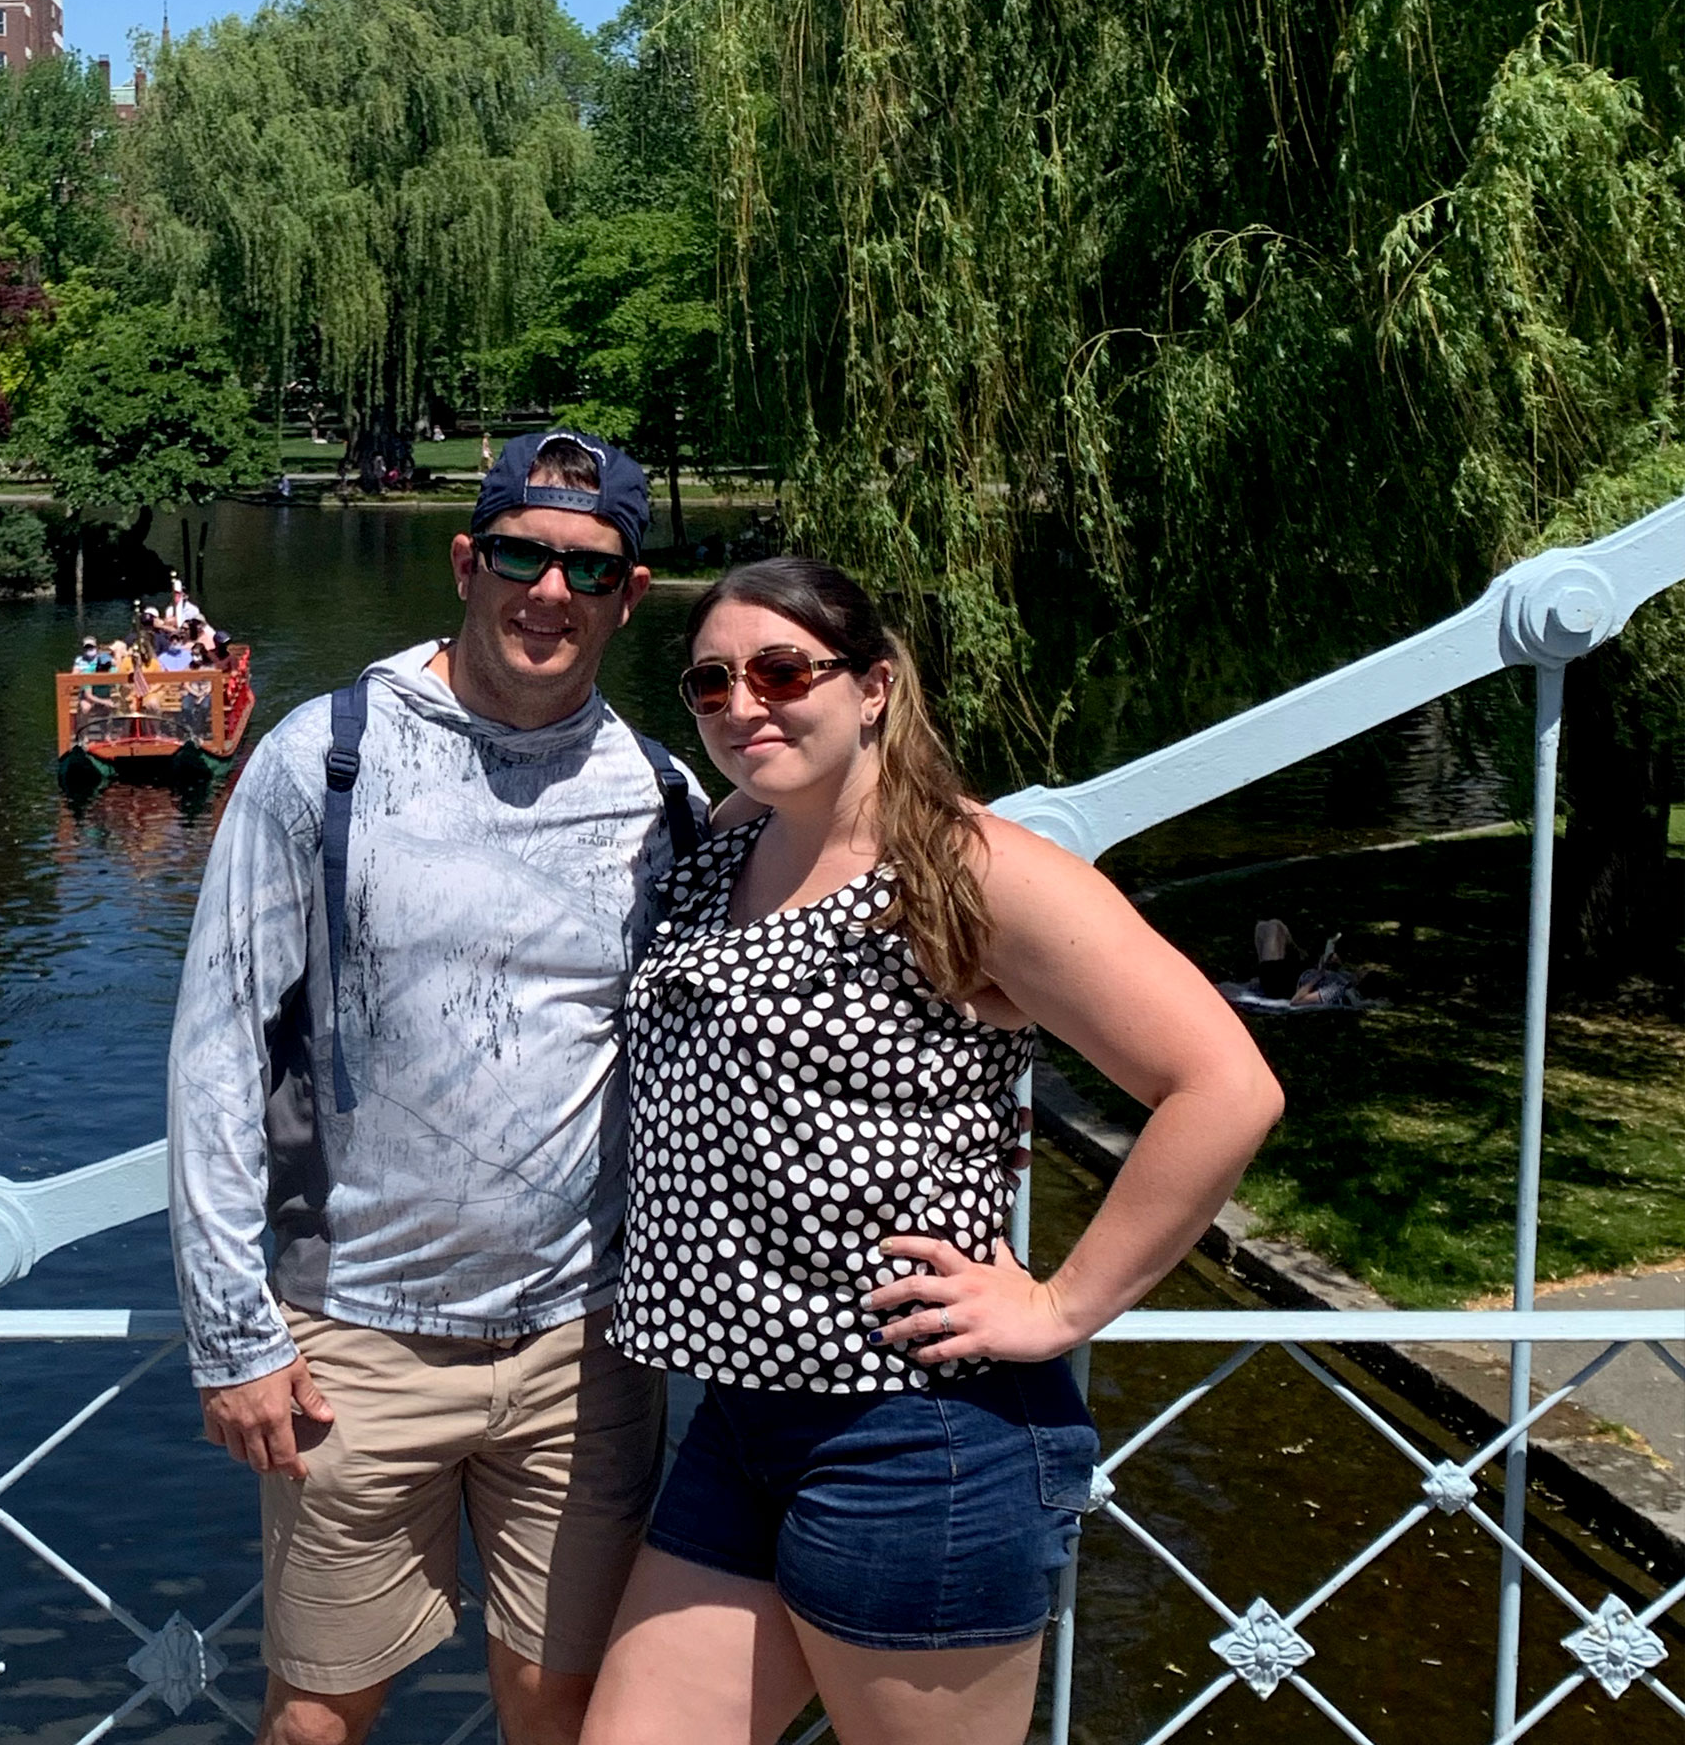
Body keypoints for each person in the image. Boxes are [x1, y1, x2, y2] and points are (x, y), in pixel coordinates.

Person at [583, 557, 1284, 1745]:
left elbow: (1224, 1088)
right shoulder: (730, 849)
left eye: (780, 670)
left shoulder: (966, 872)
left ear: (874, 688)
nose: (743, 704)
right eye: (710, 684)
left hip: (921, 1436)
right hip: (743, 1424)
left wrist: (1063, 1306)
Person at [170, 432, 707, 1745]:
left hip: (581, 1347)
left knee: (565, 1709)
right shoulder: (325, 758)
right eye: (522, 554)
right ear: (469, 562)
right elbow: (218, 1050)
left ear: (628, 597)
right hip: (353, 1339)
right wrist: (230, 1333)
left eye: (591, 569)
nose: (551, 592)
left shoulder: (665, 797)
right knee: (318, 1716)